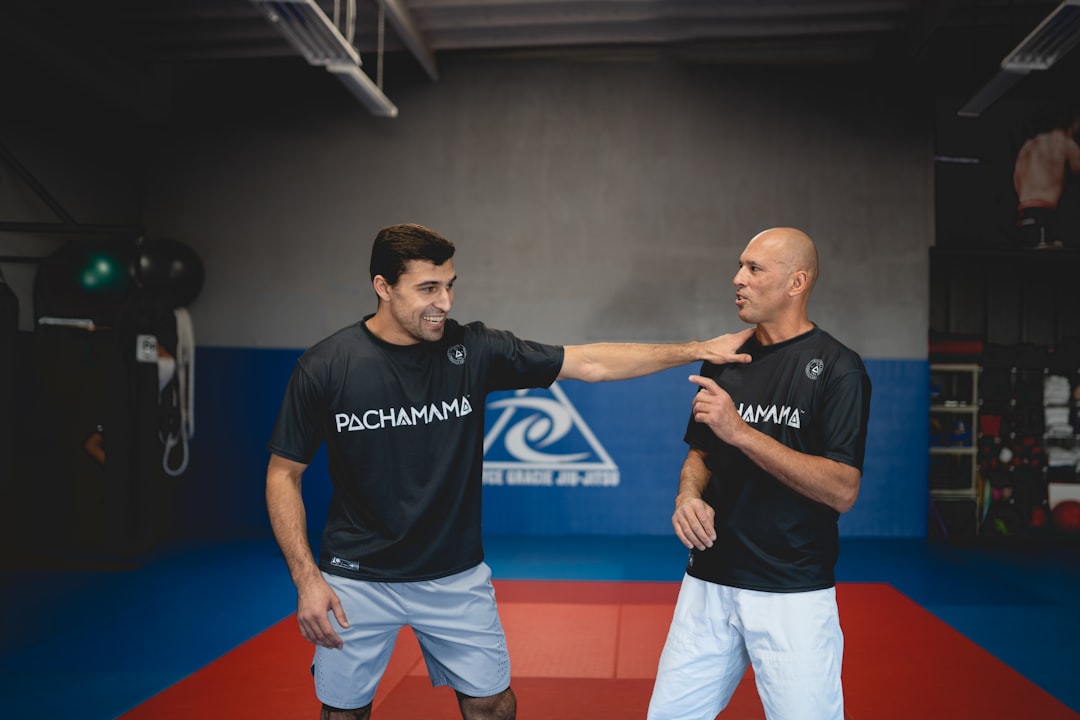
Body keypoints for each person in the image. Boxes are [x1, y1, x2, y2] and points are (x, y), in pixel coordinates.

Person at [265, 222, 756, 720]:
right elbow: (283, 474)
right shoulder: (327, 366)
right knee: (343, 713)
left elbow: (590, 363)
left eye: (450, 285)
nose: (445, 302)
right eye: (428, 289)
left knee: (492, 706)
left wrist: (696, 348)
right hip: (356, 579)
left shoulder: (474, 350)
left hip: (453, 573)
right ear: (383, 287)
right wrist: (307, 580)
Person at [647, 227, 872, 720]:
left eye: (754, 269)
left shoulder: (838, 369)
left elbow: (842, 489)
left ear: (796, 283)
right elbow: (700, 453)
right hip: (708, 579)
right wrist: (687, 498)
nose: (737, 279)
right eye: (740, 266)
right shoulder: (725, 358)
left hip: (790, 590)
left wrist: (742, 431)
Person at [1012, 108, 1080, 249]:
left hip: (1024, 210)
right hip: (1044, 210)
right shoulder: (1062, 140)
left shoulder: (1029, 144)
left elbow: (1016, 179)